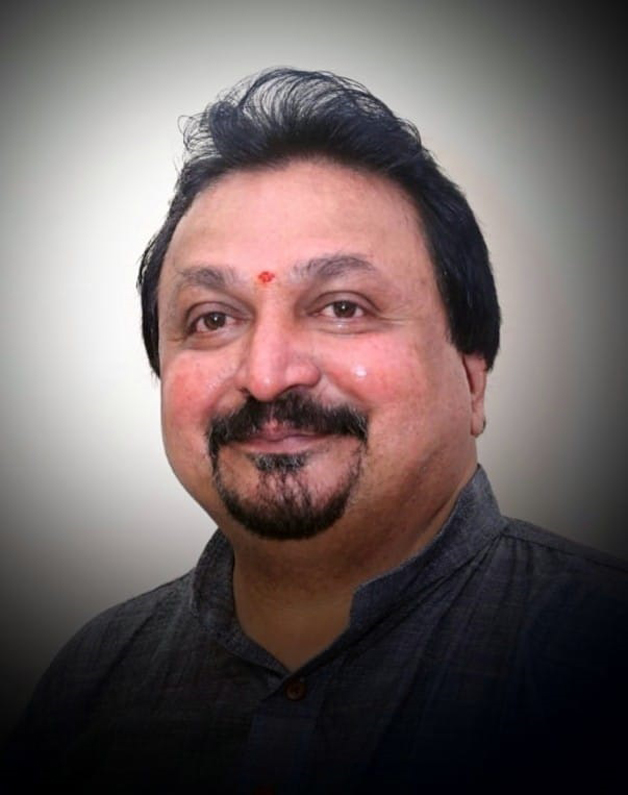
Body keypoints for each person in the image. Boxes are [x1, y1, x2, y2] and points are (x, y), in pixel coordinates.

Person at [3, 68, 627, 793]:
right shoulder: (91, 687)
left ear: (472, 376)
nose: (268, 376)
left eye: (342, 308)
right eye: (213, 318)